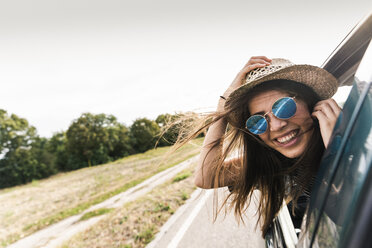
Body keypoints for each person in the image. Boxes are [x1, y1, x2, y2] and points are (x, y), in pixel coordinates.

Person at [187, 56, 341, 236]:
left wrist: (339, 147)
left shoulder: (359, 139)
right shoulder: (273, 162)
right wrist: (223, 106)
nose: (276, 126)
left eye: (284, 107)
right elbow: (206, 176)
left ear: (311, 103)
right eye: (258, 121)